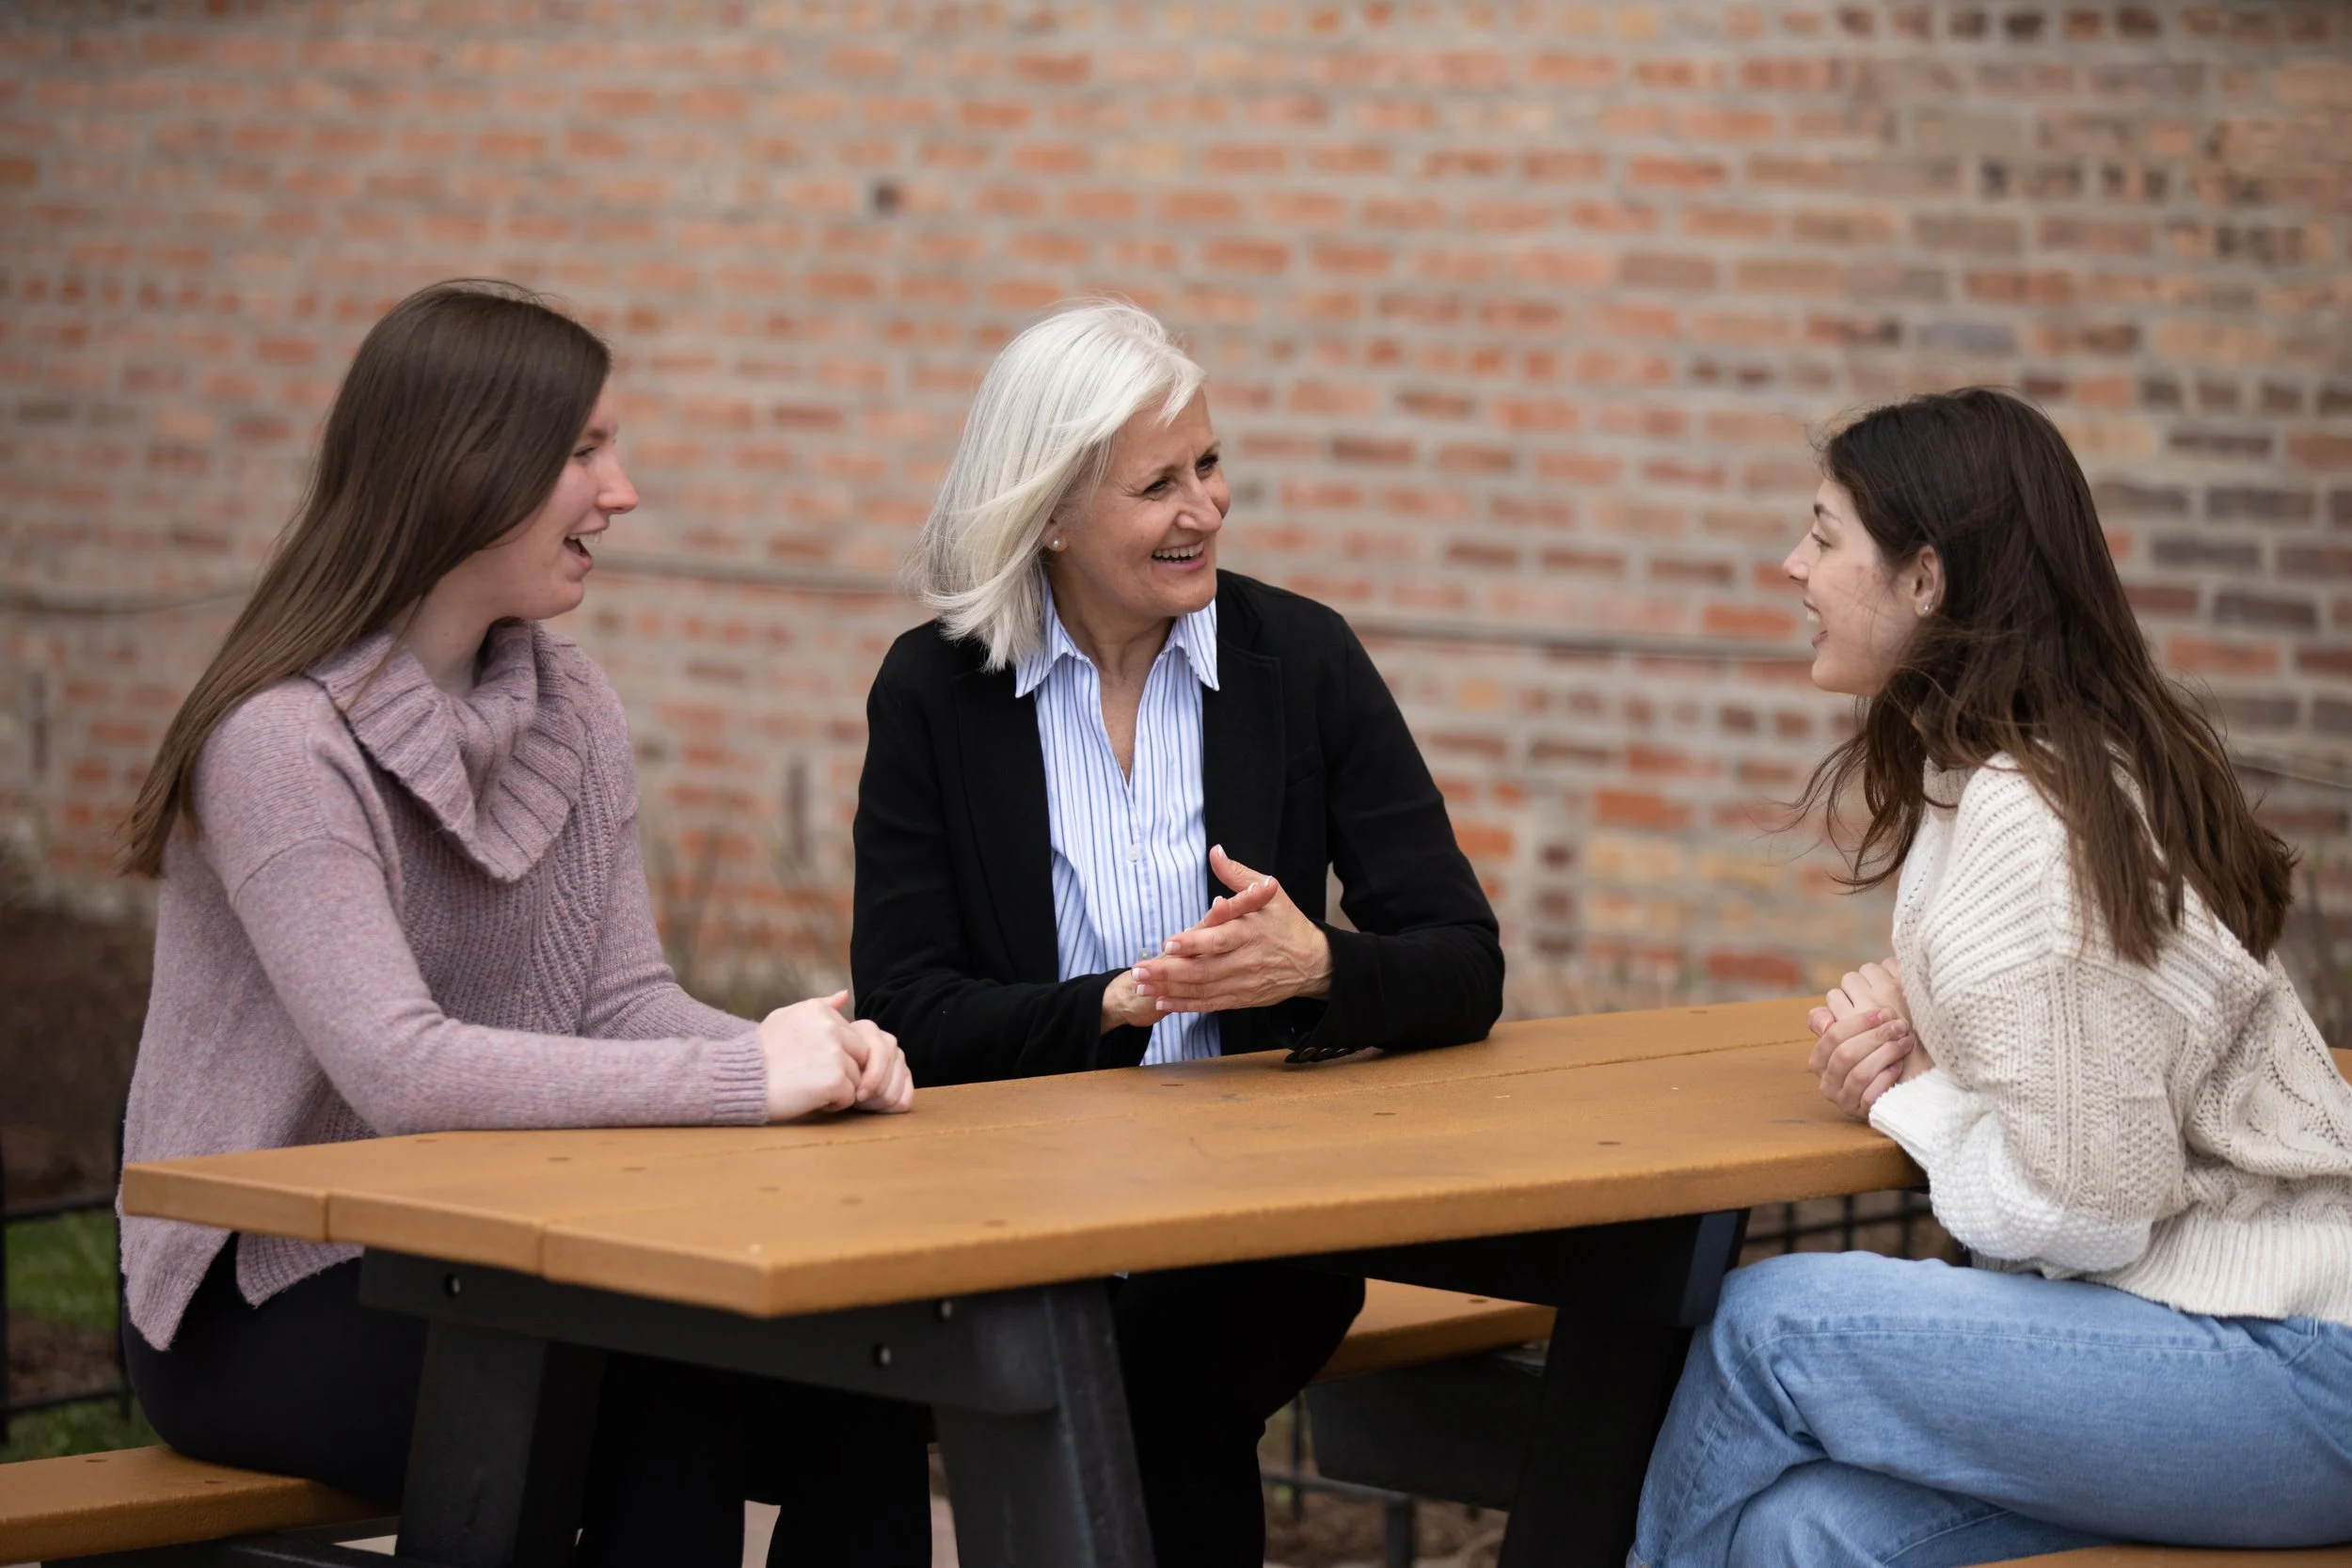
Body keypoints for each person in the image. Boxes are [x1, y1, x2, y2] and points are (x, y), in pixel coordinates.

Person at [117, 280, 929, 1567]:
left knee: (864, 1375)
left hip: (491, 1248)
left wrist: (804, 1050)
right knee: (663, 1387)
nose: (624, 490)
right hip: (260, 1296)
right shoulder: (279, 742)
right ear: (468, 465)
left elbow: (616, 999)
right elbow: (397, 1064)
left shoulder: (571, 701)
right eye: (586, 450)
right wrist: (739, 1076)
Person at [1629, 388, 2352, 1568]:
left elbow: (2088, 1206)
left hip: (2290, 1354)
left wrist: (1907, 1089)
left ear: (1927, 579)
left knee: (1772, 1324)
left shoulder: (2031, 811)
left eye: (1822, 534)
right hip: (2238, 1354)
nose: (1790, 565)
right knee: (1797, 1530)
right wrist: (1926, 1048)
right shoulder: (2017, 779)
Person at [851, 299, 1504, 1565]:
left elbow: (1461, 961)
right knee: (980, 1385)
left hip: (1258, 1221)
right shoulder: (935, 689)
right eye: (1157, 484)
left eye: (1208, 465)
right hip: (1011, 1209)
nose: (1203, 506)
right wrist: (1113, 1004)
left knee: (1150, 1373)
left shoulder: (1299, 659)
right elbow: (909, 1008)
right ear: (1048, 509)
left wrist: (1317, 964)